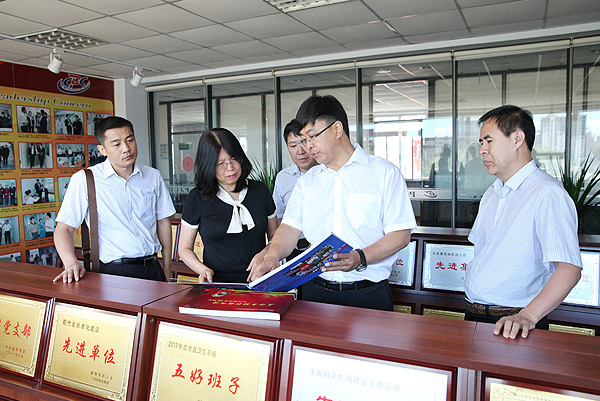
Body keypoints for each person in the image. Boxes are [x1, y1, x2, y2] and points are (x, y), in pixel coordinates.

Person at [250, 95, 417, 311]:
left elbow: (400, 235)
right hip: (315, 293)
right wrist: (272, 256)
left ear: (337, 129)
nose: (308, 147)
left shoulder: (384, 173)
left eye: (313, 136)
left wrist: (360, 257)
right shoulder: (307, 181)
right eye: (304, 140)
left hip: (367, 294)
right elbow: (290, 228)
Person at [464, 105, 582, 339]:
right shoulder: (492, 193)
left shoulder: (547, 193)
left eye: (489, 141)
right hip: (474, 316)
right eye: (481, 143)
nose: (482, 150)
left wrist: (527, 316)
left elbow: (569, 269)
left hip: (517, 324)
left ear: (517, 138)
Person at [53, 116, 176, 283]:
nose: (126, 149)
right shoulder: (85, 179)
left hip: (152, 268)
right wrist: (70, 263)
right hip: (113, 272)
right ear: (102, 149)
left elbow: (162, 222)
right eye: (116, 144)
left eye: (130, 140)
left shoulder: (152, 176)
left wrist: (167, 268)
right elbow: (64, 228)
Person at [178, 128, 277, 283]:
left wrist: (264, 254)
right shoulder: (197, 198)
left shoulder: (259, 191)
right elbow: (184, 248)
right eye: (221, 163)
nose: (230, 167)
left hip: (260, 279)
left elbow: (276, 237)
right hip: (217, 283)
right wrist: (202, 269)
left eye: (233, 159)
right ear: (208, 165)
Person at [272, 119, 317, 260]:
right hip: (293, 251)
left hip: (323, 250)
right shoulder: (283, 177)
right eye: (293, 145)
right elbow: (280, 217)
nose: (300, 151)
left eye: (303, 143)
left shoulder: (329, 173)